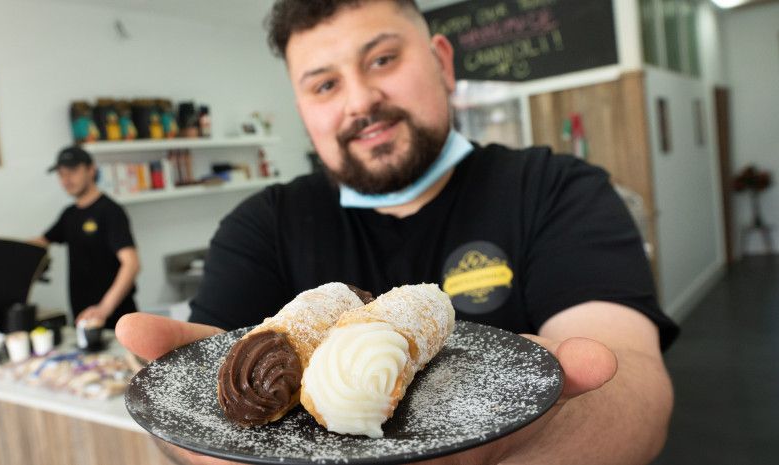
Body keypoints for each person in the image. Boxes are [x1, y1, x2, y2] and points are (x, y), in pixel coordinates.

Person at [116, 1, 679, 464]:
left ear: (441, 61)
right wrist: (199, 442)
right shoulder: (261, 224)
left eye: (383, 59)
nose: (360, 101)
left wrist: (527, 440)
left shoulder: (557, 190)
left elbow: (634, 391)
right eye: (324, 85)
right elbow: (195, 423)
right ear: (303, 110)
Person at [32, 146, 140, 330]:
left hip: (116, 317)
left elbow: (131, 264)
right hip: (82, 314)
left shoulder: (110, 211)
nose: (66, 179)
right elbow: (40, 242)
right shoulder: (69, 214)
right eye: (61, 174)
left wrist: (104, 308)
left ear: (91, 170)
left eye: (72, 171)